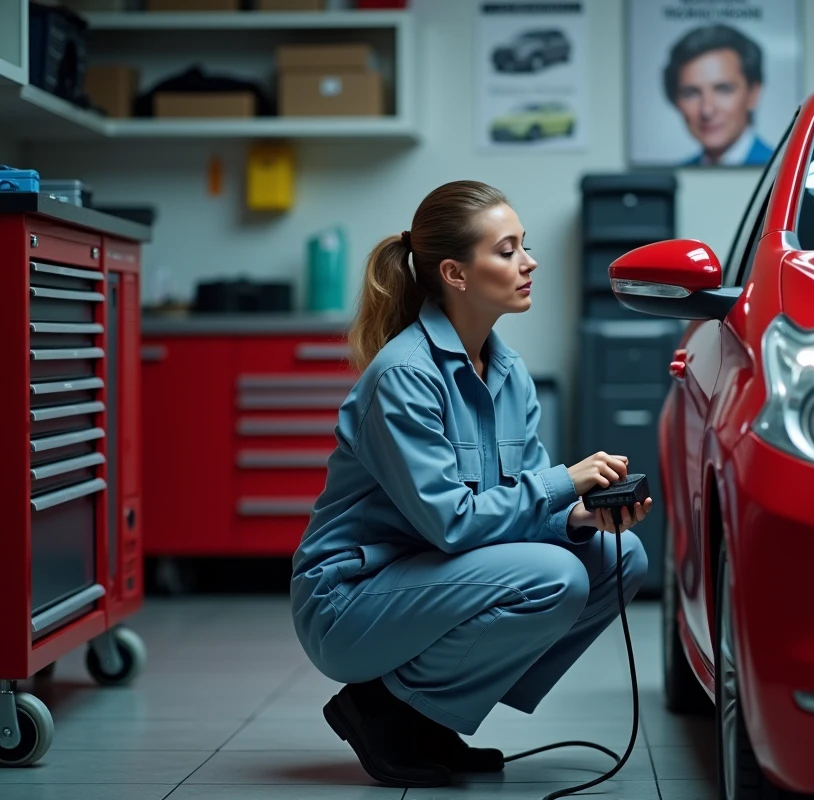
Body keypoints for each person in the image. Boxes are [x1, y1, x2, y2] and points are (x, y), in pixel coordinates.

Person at [290, 180, 652, 788]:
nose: (529, 262)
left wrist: (578, 518)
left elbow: (518, 510)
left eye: (524, 247)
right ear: (456, 274)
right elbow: (454, 523)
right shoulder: (405, 377)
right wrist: (563, 482)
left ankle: (426, 717)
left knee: (620, 558)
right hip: (351, 600)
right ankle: (380, 708)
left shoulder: (508, 374)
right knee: (554, 576)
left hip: (437, 578)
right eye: (507, 250)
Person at [663, 24, 774, 167]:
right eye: (691, 93)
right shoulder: (683, 169)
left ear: (753, 94)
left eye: (723, 90)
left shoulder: (780, 168)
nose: (707, 110)